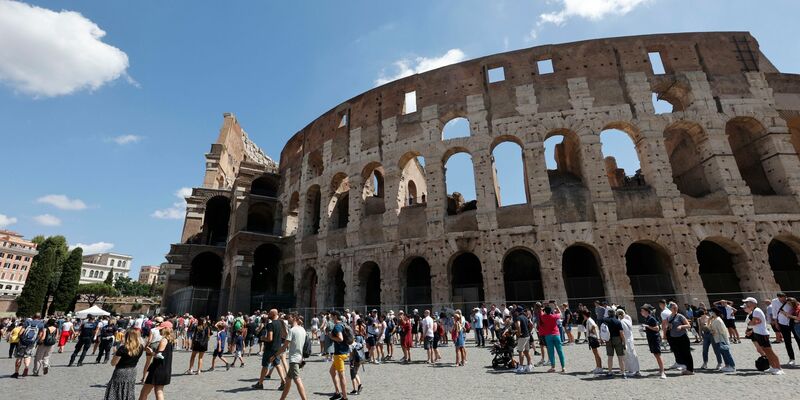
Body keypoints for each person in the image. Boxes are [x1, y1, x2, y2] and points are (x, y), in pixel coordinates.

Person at [742, 297, 784, 375]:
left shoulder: (756, 311)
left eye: (747, 302)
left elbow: (755, 322)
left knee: (770, 351)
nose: (746, 304)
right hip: (758, 333)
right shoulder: (754, 311)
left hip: (762, 333)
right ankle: (773, 367)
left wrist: (750, 324)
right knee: (766, 352)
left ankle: (779, 368)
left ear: (753, 303)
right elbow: (755, 322)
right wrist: (751, 325)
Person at [104, 329, 145, 400]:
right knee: (128, 388)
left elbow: (113, 363)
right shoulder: (140, 347)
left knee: (117, 387)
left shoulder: (123, 348)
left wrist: (115, 354)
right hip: (132, 370)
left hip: (121, 371)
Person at [253, 309, 286, 390]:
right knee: (277, 364)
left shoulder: (270, 324)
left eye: (270, 313)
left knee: (265, 365)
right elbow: (283, 335)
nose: (268, 314)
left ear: (273, 314)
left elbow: (270, 338)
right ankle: (283, 381)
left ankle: (260, 383)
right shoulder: (280, 323)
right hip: (277, 347)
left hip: (270, 348)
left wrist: (263, 338)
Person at [138, 327, 174, 400]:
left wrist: (151, 352)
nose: (159, 331)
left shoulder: (164, 340)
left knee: (144, 392)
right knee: (158, 390)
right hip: (165, 368)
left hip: (157, 369)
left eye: (160, 329)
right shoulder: (170, 340)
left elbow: (159, 355)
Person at [279, 313, 308, 400]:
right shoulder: (303, 329)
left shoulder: (292, 330)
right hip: (299, 357)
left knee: (297, 380)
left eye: (289, 317)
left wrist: (275, 355)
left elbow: (284, 346)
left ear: (294, 318)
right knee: (288, 380)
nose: (288, 319)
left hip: (294, 359)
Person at [639, 305, 666, 379]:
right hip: (651, 338)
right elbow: (650, 328)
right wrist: (644, 329)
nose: (641, 312)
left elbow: (657, 328)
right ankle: (661, 370)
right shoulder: (647, 319)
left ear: (646, 311)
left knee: (658, 355)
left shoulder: (651, 318)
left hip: (655, 338)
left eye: (642, 311)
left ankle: (663, 372)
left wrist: (647, 326)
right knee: (656, 355)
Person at [772, 292, 798, 366]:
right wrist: (776, 323)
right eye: (782, 299)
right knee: (787, 342)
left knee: (798, 340)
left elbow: (796, 308)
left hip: (792, 322)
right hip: (782, 323)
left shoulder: (789, 300)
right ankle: (792, 359)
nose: (784, 300)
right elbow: (774, 313)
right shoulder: (774, 302)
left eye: (784, 298)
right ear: (778, 298)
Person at [667, 302, 694, 375]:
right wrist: (669, 327)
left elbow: (688, 325)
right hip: (674, 338)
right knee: (680, 353)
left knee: (687, 353)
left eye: (676, 307)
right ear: (670, 308)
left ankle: (690, 370)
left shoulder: (680, 316)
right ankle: (685, 367)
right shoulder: (669, 317)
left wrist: (681, 326)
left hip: (682, 337)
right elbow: (669, 326)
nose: (675, 309)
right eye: (673, 307)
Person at [329, 311, 350, 400]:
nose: (330, 318)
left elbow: (340, 338)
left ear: (335, 316)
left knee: (342, 375)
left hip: (339, 354)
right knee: (332, 371)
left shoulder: (337, 326)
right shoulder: (342, 324)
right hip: (345, 351)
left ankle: (344, 397)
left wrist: (331, 337)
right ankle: (337, 392)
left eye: (331, 317)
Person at [538, 305, 565, 373]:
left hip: (548, 336)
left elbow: (541, 312)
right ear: (551, 311)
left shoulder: (543, 317)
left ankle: (553, 367)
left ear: (545, 311)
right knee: (560, 351)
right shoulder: (554, 316)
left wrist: (542, 309)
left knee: (551, 352)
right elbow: (560, 313)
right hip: (556, 334)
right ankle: (563, 367)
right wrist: (556, 306)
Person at [600, 308, 626, 378]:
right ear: (614, 314)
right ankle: (623, 373)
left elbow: (601, 329)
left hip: (608, 339)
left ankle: (610, 372)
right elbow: (621, 333)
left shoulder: (604, 320)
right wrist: (624, 341)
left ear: (608, 313)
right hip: (617, 338)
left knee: (610, 357)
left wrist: (601, 338)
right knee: (620, 357)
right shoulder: (617, 321)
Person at [708, 308, 736, 372]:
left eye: (711, 312)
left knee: (726, 353)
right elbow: (710, 327)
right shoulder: (714, 319)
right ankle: (727, 365)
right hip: (717, 339)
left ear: (714, 312)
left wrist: (714, 332)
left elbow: (722, 331)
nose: (710, 313)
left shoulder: (718, 320)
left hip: (722, 339)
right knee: (723, 353)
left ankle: (732, 366)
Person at [618, 309, 640, 377]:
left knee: (629, 355)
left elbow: (623, 333)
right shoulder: (627, 320)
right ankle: (636, 369)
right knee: (633, 354)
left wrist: (623, 342)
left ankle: (632, 370)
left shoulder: (621, 322)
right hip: (630, 339)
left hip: (626, 340)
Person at [513, 306, 533, 373]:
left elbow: (518, 325)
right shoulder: (525, 317)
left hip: (522, 336)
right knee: (526, 351)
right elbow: (531, 324)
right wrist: (529, 331)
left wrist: (519, 333)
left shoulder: (518, 317)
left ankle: (521, 367)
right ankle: (529, 365)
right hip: (527, 335)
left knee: (520, 351)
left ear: (517, 311)